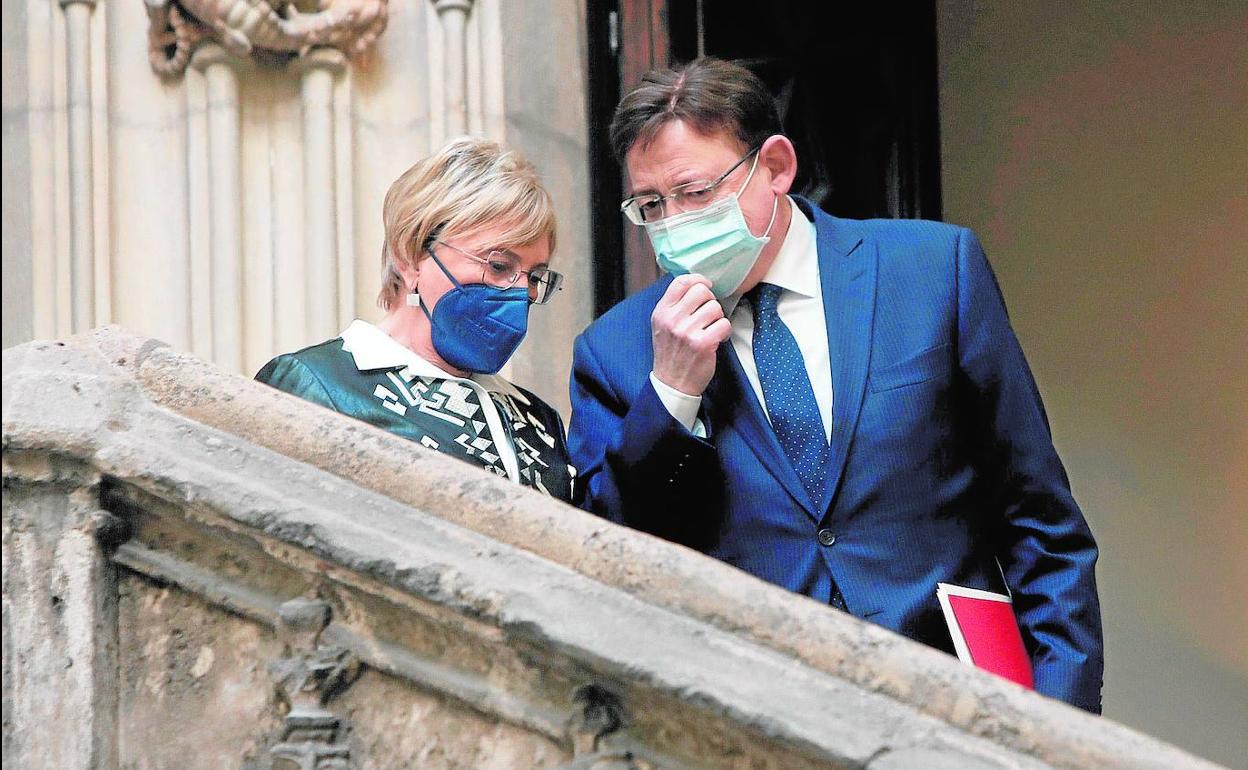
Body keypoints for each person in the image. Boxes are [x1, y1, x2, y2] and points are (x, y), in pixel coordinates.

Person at [567, 58, 1103, 712]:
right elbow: (614, 562)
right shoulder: (617, 349)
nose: (673, 222)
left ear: (777, 166)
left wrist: (1061, 723)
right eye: (651, 205)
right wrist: (672, 395)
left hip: (958, 706)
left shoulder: (931, 270)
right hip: (758, 722)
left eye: (696, 192)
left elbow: (1038, 519)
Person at [257, 137, 577, 504]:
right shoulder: (319, 385)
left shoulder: (540, 421)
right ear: (411, 256)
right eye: (498, 265)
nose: (520, 293)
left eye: (534, 277)